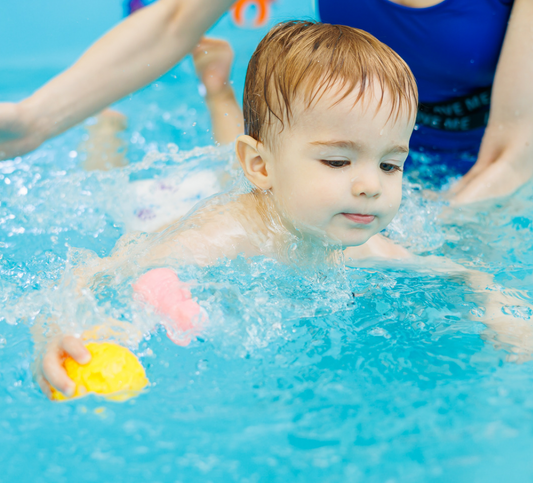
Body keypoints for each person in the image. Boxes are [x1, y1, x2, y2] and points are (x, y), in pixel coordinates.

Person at [32, 21, 533, 398]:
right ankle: (108, 130)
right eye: (338, 160)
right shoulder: (217, 239)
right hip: (182, 203)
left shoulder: (361, 244)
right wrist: (59, 331)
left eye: (390, 165)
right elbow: (91, 274)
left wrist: (500, 311)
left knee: (257, 148)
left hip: (265, 171)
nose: (370, 187)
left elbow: (464, 275)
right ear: (263, 169)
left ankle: (217, 88)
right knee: (124, 194)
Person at [0, 0, 532, 204]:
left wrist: (436, 231)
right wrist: (33, 123)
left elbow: (510, 152)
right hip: (336, 146)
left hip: (475, 169)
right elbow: (174, 22)